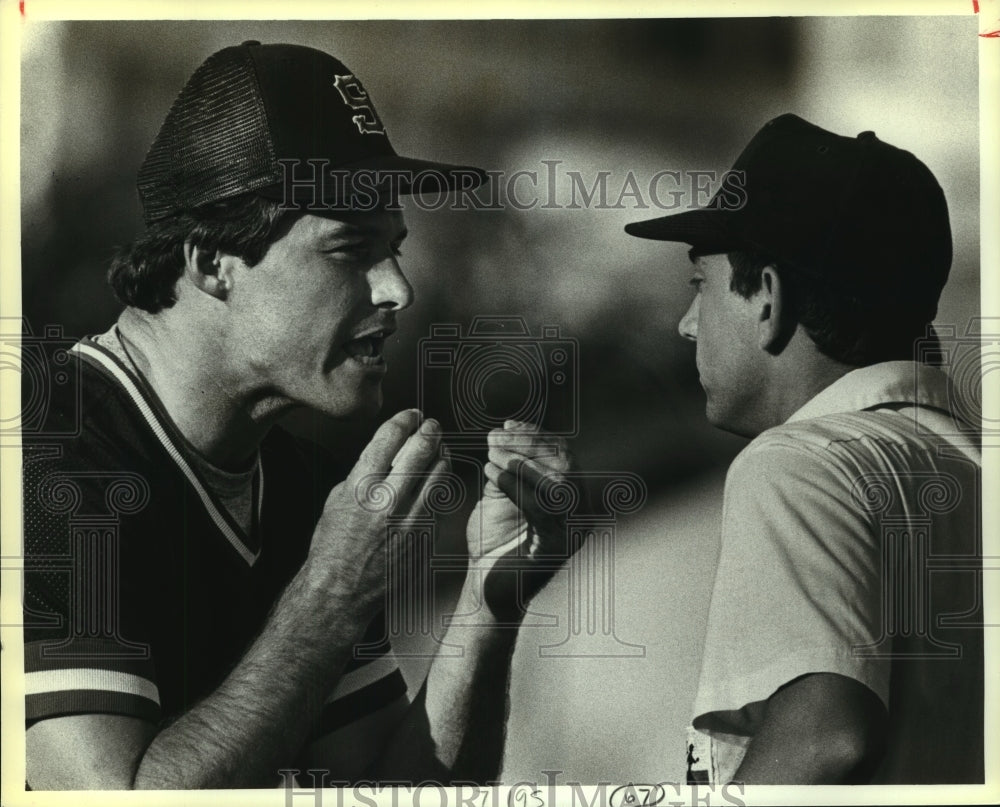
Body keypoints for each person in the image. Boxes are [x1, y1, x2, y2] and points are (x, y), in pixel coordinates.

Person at [22, 41, 576, 790]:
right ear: (212, 259)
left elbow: (390, 792)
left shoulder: (298, 483)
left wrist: (488, 597)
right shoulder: (45, 457)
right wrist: (333, 588)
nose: (397, 290)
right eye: (351, 248)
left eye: (396, 250)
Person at [625, 113, 983, 784]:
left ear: (767, 296)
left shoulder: (801, 464)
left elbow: (826, 733)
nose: (685, 324)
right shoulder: (972, 469)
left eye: (700, 286)